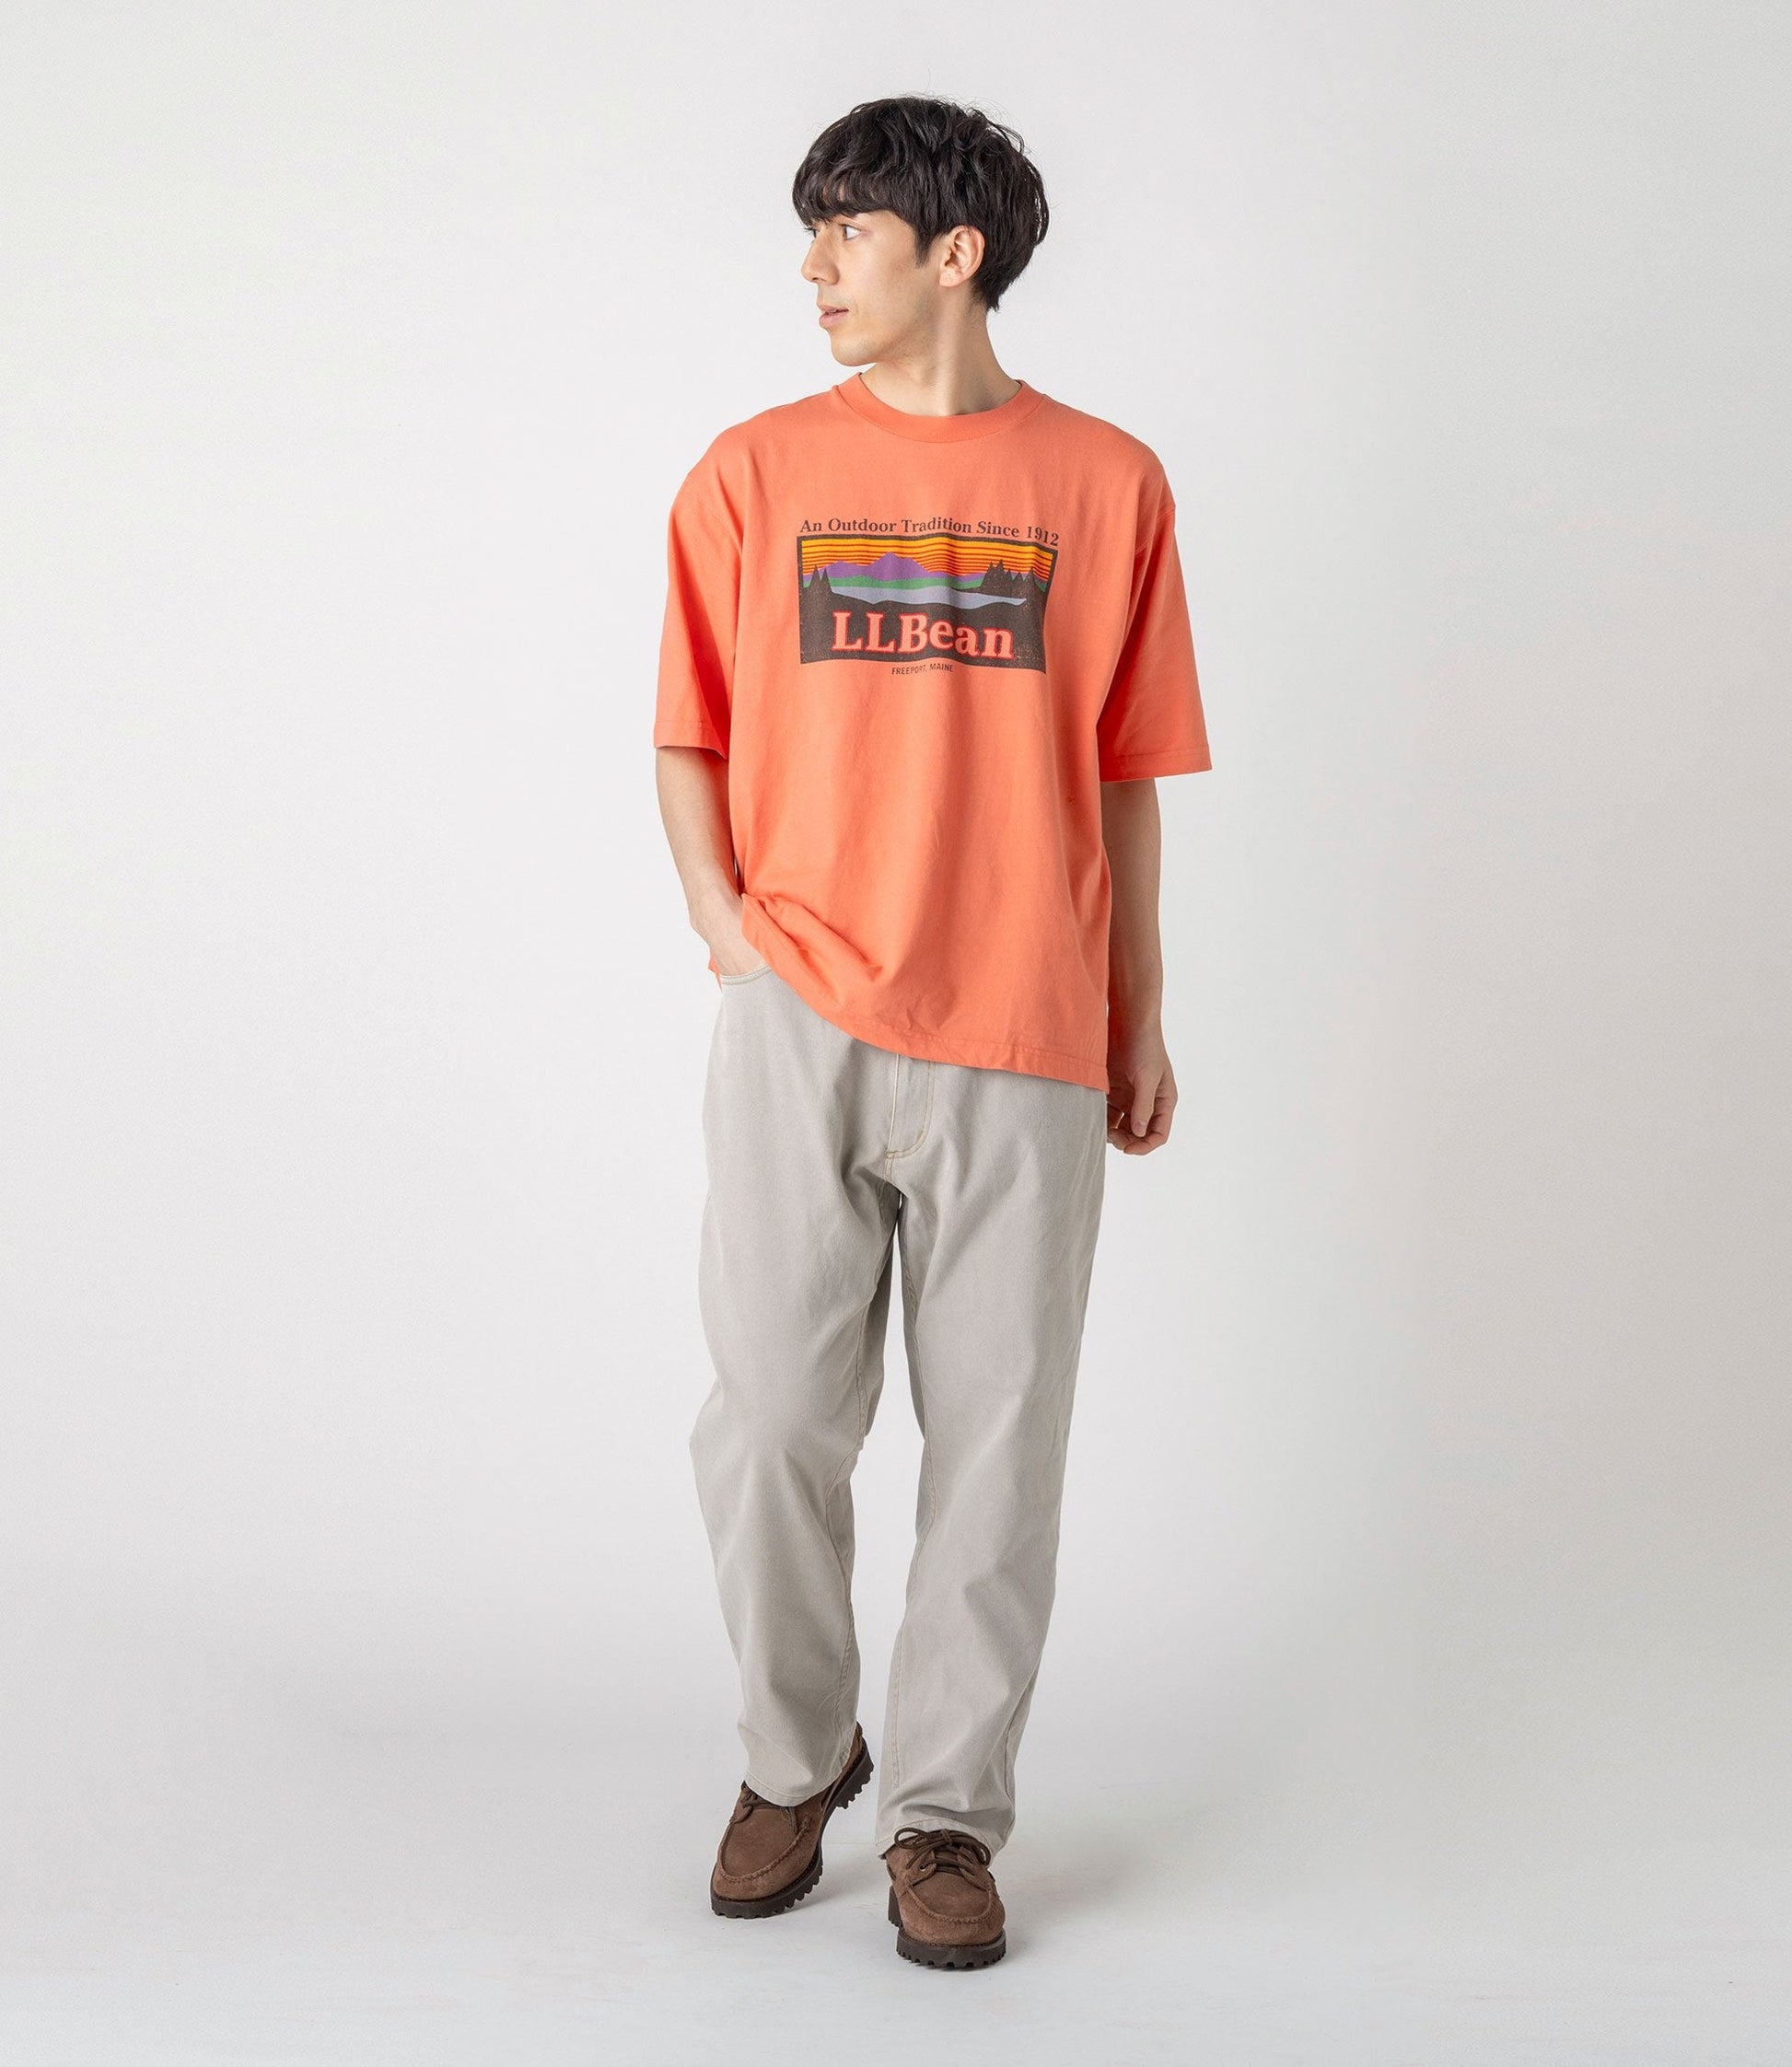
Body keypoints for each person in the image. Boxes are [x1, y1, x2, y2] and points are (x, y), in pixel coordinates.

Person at [652, 93, 1211, 1970]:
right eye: (812, 230)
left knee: (998, 1445)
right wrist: (726, 927)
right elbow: (688, 728)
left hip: (1025, 1026)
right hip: (797, 1010)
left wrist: (1138, 1008)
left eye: (848, 230)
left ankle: (945, 1815)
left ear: (952, 253)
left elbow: (1127, 773)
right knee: (768, 1422)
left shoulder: (1108, 484)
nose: (813, 265)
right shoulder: (749, 473)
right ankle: (794, 1756)